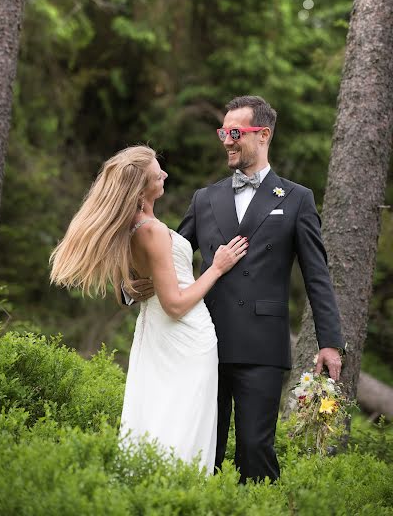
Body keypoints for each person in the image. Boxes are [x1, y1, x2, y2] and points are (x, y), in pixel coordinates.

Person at [127, 95, 345, 483]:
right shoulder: (205, 198)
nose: (226, 140)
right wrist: (128, 286)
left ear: (262, 135)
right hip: (202, 344)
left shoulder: (297, 199)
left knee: (255, 448)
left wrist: (330, 342)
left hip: (262, 345)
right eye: (222, 132)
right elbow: (167, 253)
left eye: (234, 132)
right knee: (202, 446)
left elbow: (317, 276)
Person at [49, 145, 248, 472]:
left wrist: (137, 286)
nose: (165, 174)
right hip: (184, 336)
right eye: (158, 173)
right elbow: (175, 304)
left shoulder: (132, 229)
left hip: (156, 333)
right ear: (142, 188)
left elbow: (130, 287)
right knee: (183, 417)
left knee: (160, 411)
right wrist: (218, 266)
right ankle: (179, 490)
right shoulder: (151, 231)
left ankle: (151, 487)